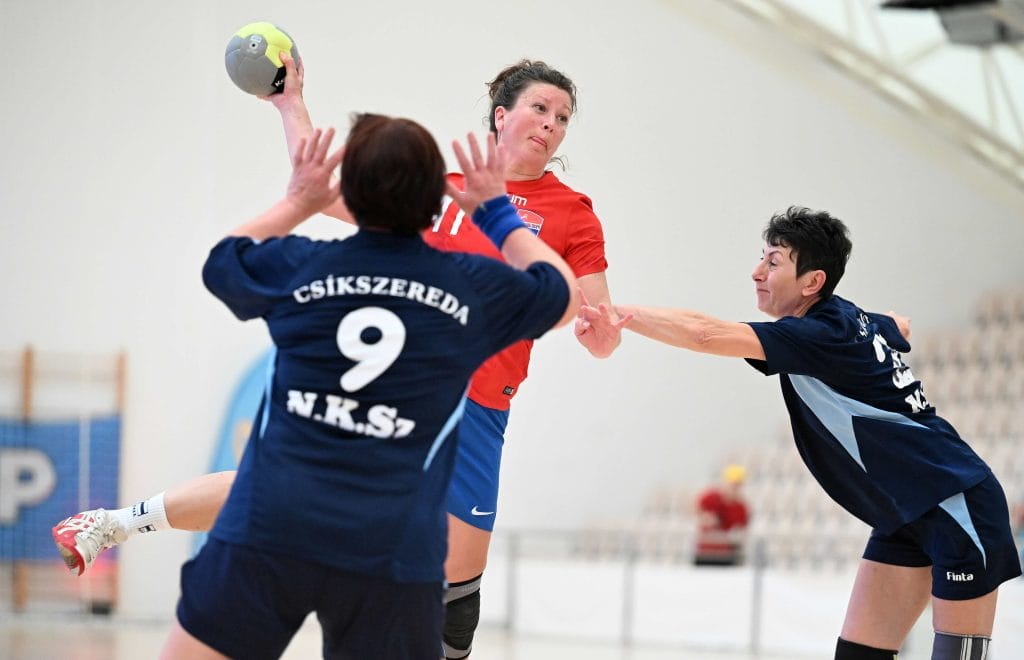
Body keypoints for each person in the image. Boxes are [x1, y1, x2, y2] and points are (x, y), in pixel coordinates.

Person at [51, 55, 627, 659]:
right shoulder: (440, 192)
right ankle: (117, 522)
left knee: (457, 596)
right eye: (540, 108)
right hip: (398, 386)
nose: (551, 124)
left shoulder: (572, 212)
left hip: (480, 406)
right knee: (289, 488)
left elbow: (596, 320)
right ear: (501, 115)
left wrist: (602, 335)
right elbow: (333, 194)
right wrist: (291, 105)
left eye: (563, 117)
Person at [155, 114, 577, 658]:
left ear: (349, 192)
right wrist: (494, 211)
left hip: (273, 525)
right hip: (392, 547)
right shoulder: (470, 288)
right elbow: (561, 295)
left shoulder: (302, 265)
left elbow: (222, 263)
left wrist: (300, 201)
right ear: (433, 204)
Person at [578, 206, 1022, 659]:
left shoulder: (820, 335)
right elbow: (896, 326)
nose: (757, 272)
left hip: (955, 502)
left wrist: (613, 313)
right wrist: (893, 324)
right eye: (761, 258)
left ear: (813, 282)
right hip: (903, 514)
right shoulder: (844, 318)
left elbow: (705, 334)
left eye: (773, 263)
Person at [693, 463, 750, 566]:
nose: (735, 488)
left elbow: (742, 531)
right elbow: (695, 509)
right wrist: (704, 517)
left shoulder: (741, 507)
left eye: (738, 485)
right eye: (733, 484)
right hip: (705, 551)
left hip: (726, 554)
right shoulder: (711, 497)